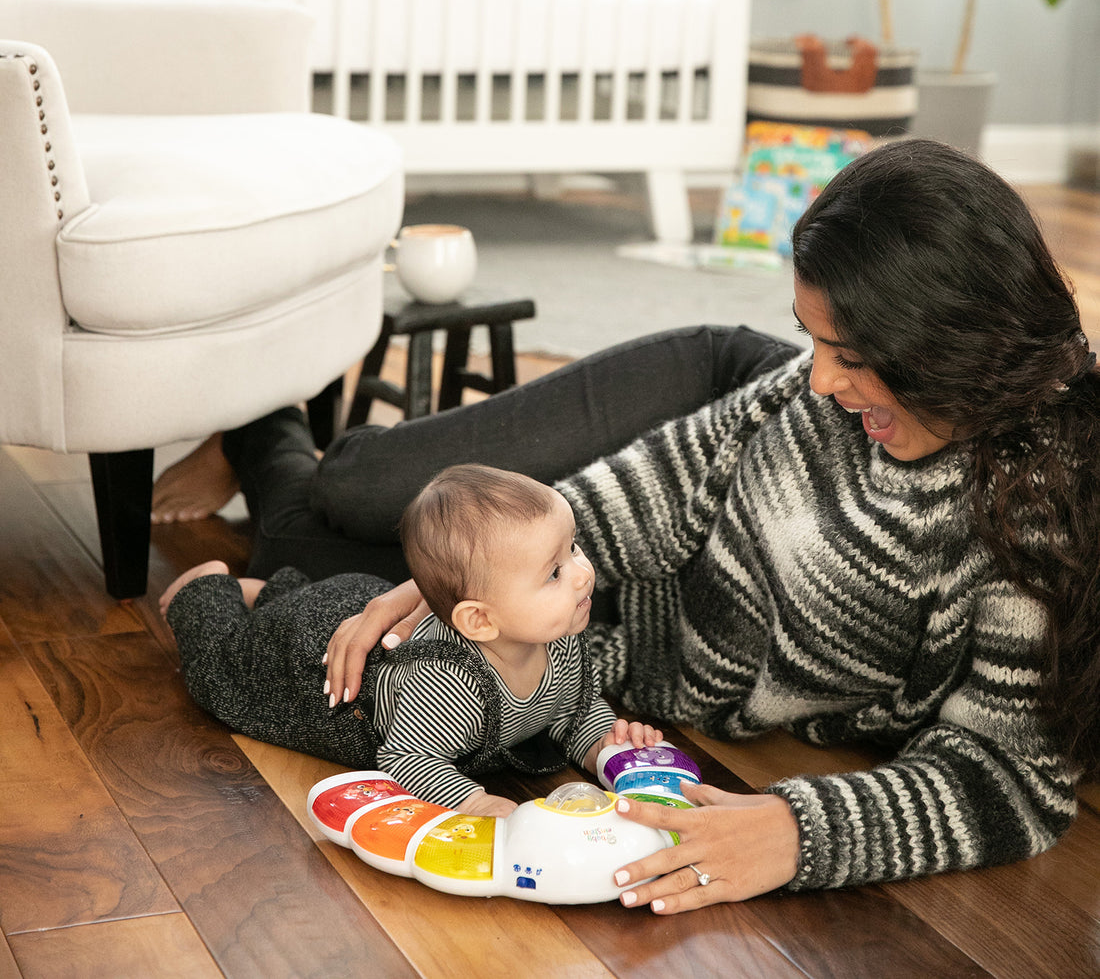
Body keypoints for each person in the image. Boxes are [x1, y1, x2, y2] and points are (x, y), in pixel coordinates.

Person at [159, 139, 1100, 915]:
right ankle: (283, 414)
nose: (818, 377)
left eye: (847, 353)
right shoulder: (808, 398)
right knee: (370, 494)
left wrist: (795, 830)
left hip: (585, 628)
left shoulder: (1034, 520)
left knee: (297, 550)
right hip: (706, 391)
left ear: (946, 348)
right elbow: (647, 494)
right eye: (816, 343)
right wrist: (456, 585)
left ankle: (259, 427)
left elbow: (1012, 773)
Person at [162, 463, 662, 816]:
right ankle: (204, 591)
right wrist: (474, 801)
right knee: (223, 671)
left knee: (285, 611)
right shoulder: (445, 683)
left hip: (356, 603)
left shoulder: (558, 636)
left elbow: (571, 709)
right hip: (310, 660)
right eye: (554, 572)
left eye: (572, 548)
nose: (581, 574)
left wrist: (606, 745)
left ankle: (268, 593)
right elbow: (407, 760)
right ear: (480, 621)